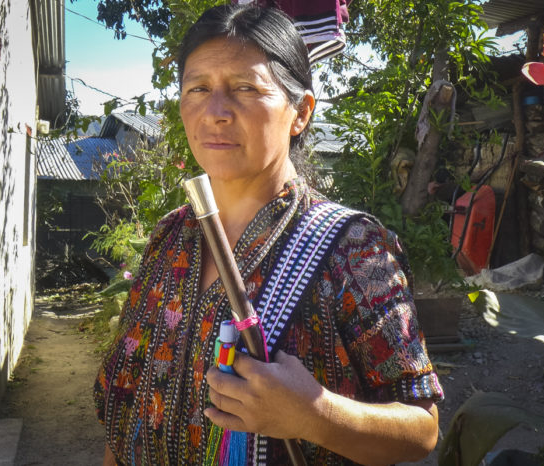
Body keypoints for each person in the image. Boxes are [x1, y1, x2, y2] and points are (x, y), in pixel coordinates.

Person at [95, 4, 444, 465]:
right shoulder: (170, 237)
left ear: (300, 112)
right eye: (198, 88)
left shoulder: (351, 248)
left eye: (245, 88)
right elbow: (127, 420)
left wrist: (312, 414)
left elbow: (421, 429)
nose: (215, 112)